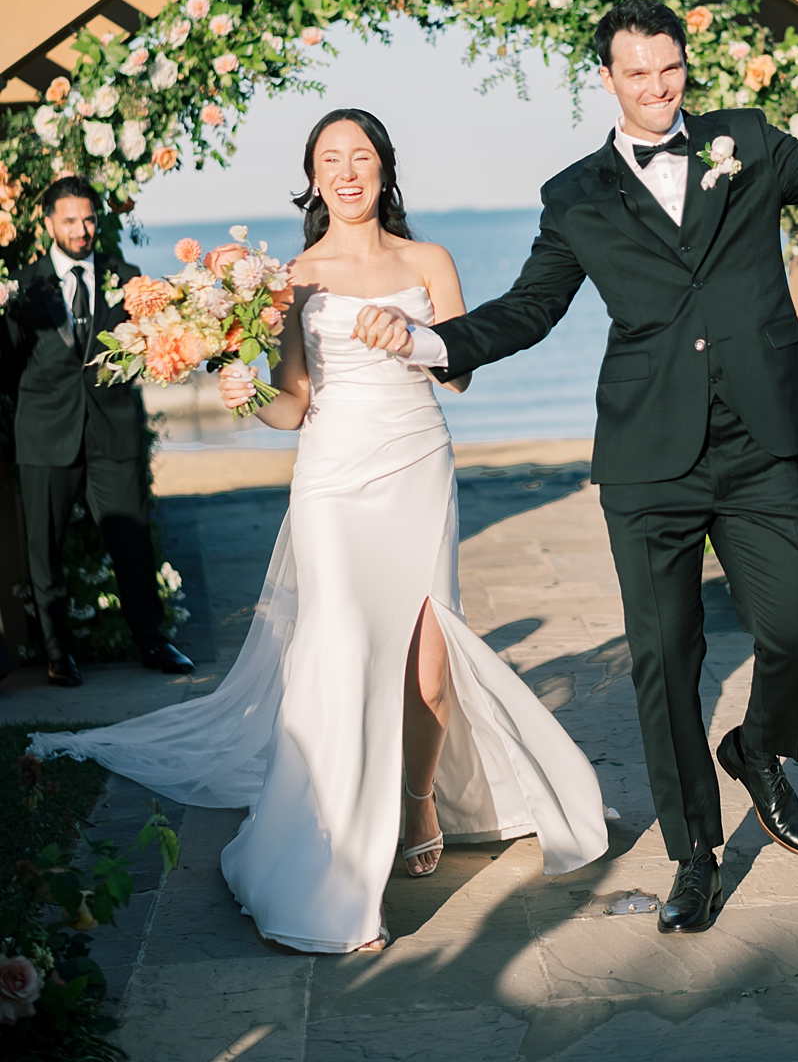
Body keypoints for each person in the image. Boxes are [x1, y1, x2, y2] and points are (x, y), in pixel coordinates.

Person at [353, 0, 798, 937]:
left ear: (682, 64)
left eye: (670, 69)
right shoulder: (575, 194)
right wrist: (431, 342)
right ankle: (696, 858)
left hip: (757, 443)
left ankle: (758, 746)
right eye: (638, 74)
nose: (659, 88)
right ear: (609, 79)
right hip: (648, 459)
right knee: (666, 662)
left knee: (797, 634)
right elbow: (530, 308)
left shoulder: (744, 141)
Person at [30, 111, 608, 953]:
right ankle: (332, 863)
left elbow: (464, 374)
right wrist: (248, 398)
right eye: (331, 159)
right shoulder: (294, 277)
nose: (348, 171)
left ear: (385, 170)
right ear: (312, 175)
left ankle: (417, 801)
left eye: (362, 157)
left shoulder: (428, 261)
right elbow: (295, 404)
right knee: (340, 652)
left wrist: (414, 341)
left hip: (417, 466)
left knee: (430, 669)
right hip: (334, 483)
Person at [0, 177, 194, 687]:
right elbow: (5, 366)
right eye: (70, 220)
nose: (82, 229)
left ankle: (153, 642)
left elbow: (153, 349)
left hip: (113, 431)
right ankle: (58, 653)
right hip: (45, 436)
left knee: (132, 543)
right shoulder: (22, 288)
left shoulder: (127, 280)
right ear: (47, 225)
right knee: (45, 548)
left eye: (88, 219)